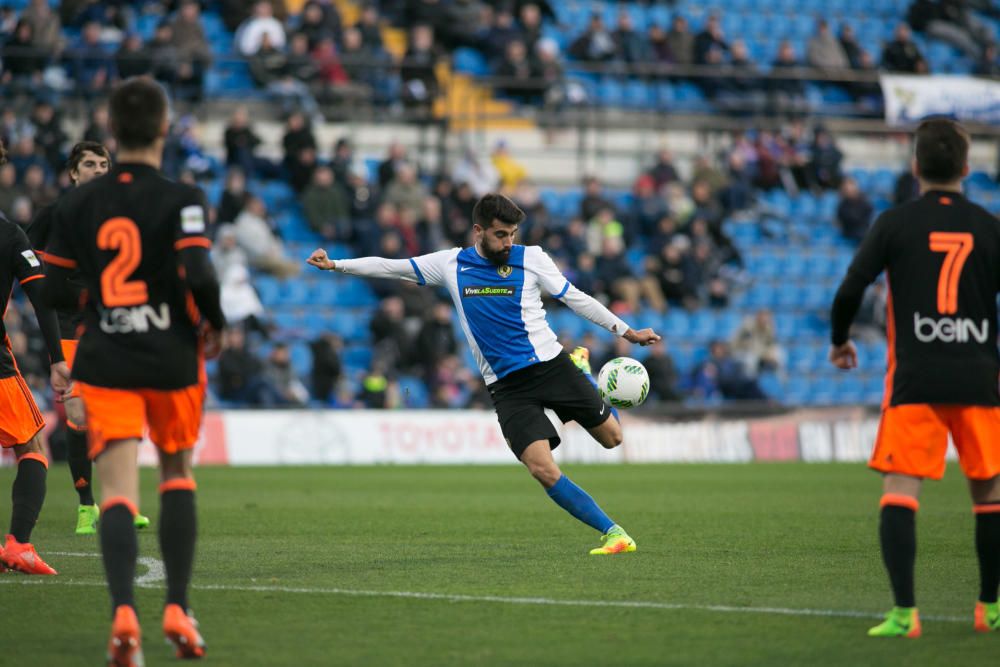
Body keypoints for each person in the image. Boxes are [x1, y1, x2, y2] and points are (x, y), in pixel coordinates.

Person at [308, 193, 660, 554]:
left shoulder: (532, 258)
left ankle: (583, 372)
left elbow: (576, 297)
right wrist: (337, 264)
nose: (509, 242)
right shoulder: (451, 264)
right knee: (541, 469)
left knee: (613, 439)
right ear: (478, 231)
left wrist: (627, 331)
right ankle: (614, 533)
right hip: (507, 387)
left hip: (551, 366)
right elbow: (392, 267)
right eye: (501, 235)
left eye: (512, 234)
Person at [43, 78, 225, 664]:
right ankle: (177, 606)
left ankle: (123, 612)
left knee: (118, 489)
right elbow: (199, 270)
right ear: (165, 129)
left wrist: (98, 300)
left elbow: (50, 287)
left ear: (114, 132)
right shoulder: (184, 197)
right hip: (172, 355)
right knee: (176, 473)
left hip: (106, 356)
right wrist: (215, 322)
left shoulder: (77, 203)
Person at [830, 118, 1000, 638]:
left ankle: (905, 614)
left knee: (901, 490)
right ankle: (988, 608)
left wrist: (840, 340)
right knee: (990, 492)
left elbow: (851, 288)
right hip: (979, 377)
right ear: (968, 169)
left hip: (916, 380)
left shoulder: (894, 223)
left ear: (915, 167)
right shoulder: (990, 226)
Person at [29, 141, 152, 534]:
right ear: (74, 173)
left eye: (104, 163)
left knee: (118, 415)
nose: (99, 169)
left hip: (113, 323)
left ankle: (123, 500)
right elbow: (26, 265)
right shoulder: (55, 215)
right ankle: (87, 505)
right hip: (68, 327)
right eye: (90, 164)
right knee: (79, 416)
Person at [0, 139, 70, 576]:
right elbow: (41, 298)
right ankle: (19, 545)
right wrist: (57, 358)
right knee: (31, 446)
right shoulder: (9, 234)